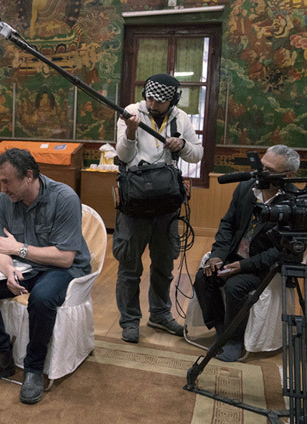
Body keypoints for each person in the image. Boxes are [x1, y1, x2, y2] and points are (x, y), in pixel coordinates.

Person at [0, 148, 91, 404]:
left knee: (43, 297)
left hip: (61, 269)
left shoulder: (64, 197)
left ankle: (34, 368)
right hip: (24, 267)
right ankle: (2, 356)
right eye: (0, 180)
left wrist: (19, 250)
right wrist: (8, 269)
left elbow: (65, 257)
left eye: (6, 182)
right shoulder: (5, 200)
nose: (1, 189)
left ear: (29, 176)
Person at [114, 73, 203, 343]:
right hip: (134, 203)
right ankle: (129, 320)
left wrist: (184, 145)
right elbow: (123, 157)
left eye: (160, 101)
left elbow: (197, 154)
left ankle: (160, 314)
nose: (153, 105)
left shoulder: (181, 118)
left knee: (164, 263)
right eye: (150, 98)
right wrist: (130, 133)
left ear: (173, 100)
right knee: (129, 265)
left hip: (166, 203)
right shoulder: (130, 112)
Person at [193, 145, 300, 362]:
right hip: (235, 256)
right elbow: (227, 225)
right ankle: (221, 331)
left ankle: (234, 341)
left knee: (235, 286)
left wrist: (243, 266)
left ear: (287, 175)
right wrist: (218, 255)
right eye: (261, 165)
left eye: (268, 169)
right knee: (204, 277)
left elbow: (281, 251)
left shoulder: (294, 202)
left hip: (262, 265)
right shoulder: (246, 188)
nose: (260, 172)